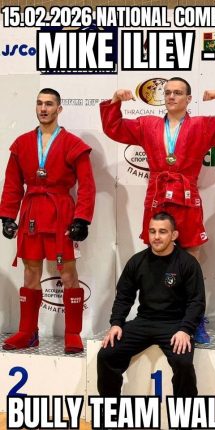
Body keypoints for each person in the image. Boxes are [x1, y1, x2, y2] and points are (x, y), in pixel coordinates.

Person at [100, 77, 215, 343]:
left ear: (188, 99)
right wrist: (114, 102)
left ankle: (195, 320)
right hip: (158, 196)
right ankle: (159, 316)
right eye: (167, 92)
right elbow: (114, 128)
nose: (171, 96)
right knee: (156, 255)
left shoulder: (202, 125)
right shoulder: (147, 124)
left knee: (191, 258)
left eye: (178, 93)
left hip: (187, 196)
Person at [0, 88, 96, 354]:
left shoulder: (73, 144)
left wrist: (82, 219)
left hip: (60, 212)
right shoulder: (21, 144)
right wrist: (7, 216)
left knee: (68, 273)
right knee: (30, 272)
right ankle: (28, 332)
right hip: (31, 212)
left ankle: (73, 333)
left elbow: (87, 186)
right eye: (40, 103)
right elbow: (12, 184)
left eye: (49, 104)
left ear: (59, 109)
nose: (43, 108)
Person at [97, 211, 205, 397]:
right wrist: (116, 323)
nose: (156, 237)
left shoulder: (187, 263)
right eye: (152, 231)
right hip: (144, 321)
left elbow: (197, 301)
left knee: (183, 363)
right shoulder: (137, 261)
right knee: (107, 355)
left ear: (174, 235)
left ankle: (185, 413)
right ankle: (110, 409)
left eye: (162, 231)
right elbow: (124, 296)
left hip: (175, 325)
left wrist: (186, 329)